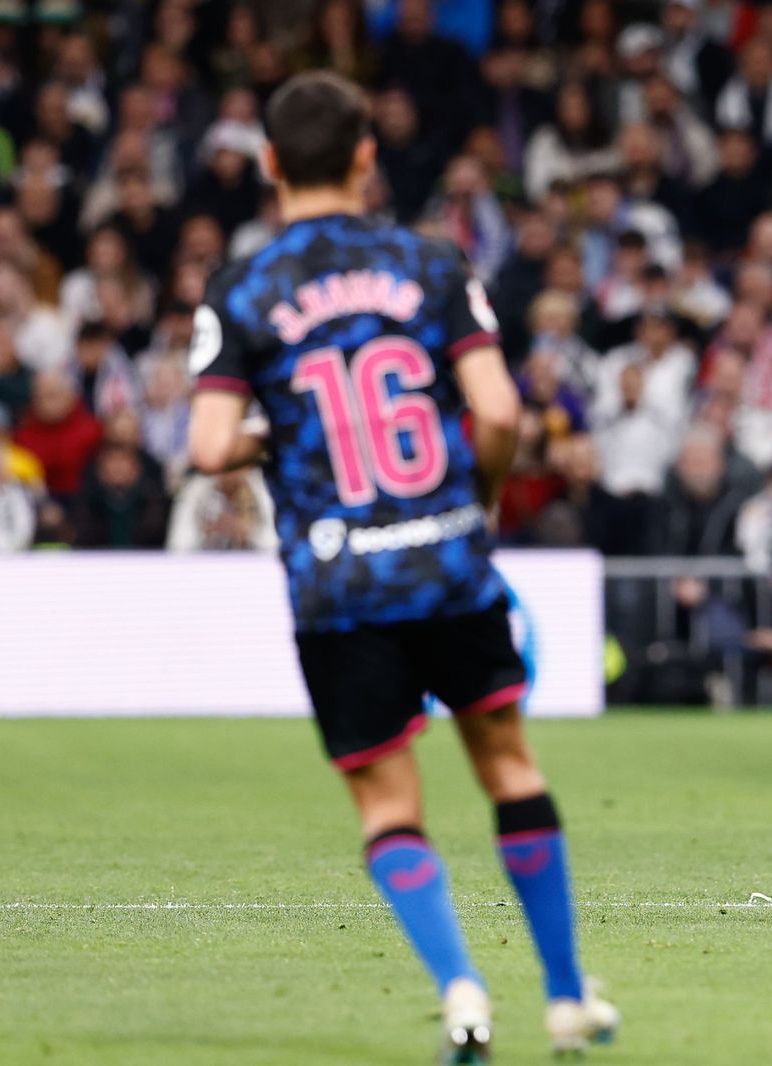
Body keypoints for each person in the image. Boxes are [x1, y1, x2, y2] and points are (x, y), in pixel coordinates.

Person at [184, 72, 615, 1062]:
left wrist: (290, 437)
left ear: (270, 164)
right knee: (507, 764)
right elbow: (500, 411)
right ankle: (562, 995)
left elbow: (209, 447)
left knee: (389, 804)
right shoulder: (429, 263)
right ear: (368, 155)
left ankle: (461, 987)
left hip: (339, 582)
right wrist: (483, 498)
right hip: (445, 560)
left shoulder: (244, 286)